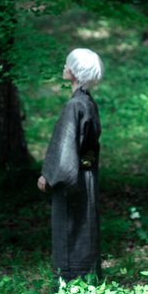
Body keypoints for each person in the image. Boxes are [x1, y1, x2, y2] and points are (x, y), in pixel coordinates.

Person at [37, 48, 103, 281]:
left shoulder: (75, 105)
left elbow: (65, 145)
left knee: (71, 228)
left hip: (73, 177)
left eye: (67, 65)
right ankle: (88, 281)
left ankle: (70, 284)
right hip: (87, 176)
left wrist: (48, 175)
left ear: (74, 72)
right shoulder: (87, 102)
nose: (64, 67)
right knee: (84, 227)